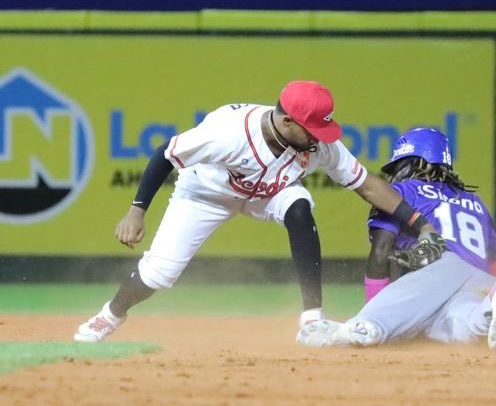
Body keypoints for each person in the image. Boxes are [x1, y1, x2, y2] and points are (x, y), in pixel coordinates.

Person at [74, 81, 444, 343]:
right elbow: (165, 154)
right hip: (206, 193)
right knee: (160, 272)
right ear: (286, 121)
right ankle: (109, 316)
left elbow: (367, 185)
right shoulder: (228, 133)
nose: (320, 136)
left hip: (269, 194)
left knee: (300, 208)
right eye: (313, 128)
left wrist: (420, 222)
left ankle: (311, 319)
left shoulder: (316, 144)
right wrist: (137, 210)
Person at [296, 127, 496, 350]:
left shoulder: (402, 192)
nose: (396, 173)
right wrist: (494, 285)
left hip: (442, 268)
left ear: (410, 163)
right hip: (483, 282)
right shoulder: (475, 202)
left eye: (399, 165)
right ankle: (490, 308)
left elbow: (381, 250)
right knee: (451, 326)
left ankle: (364, 325)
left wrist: (372, 306)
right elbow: (495, 263)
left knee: (387, 313)